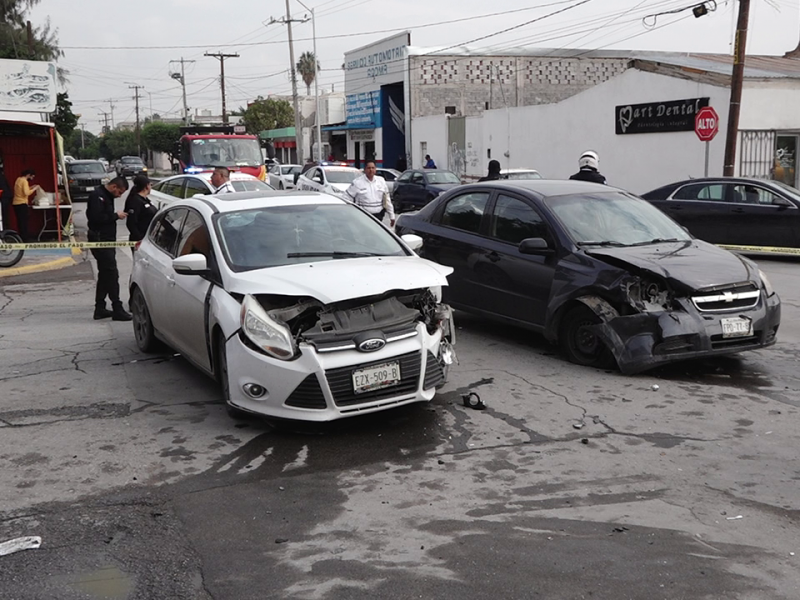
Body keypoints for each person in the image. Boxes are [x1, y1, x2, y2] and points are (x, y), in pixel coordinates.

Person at [86, 176, 131, 321]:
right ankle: (117, 307)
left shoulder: (106, 196)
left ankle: (100, 307)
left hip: (107, 239)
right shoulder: (97, 196)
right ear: (114, 187)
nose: (120, 196)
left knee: (105, 274)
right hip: (100, 240)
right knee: (111, 273)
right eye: (120, 192)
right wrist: (115, 216)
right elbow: (95, 218)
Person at [346, 160, 395, 227]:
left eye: (373, 168)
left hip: (378, 216)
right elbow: (347, 198)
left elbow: (387, 199)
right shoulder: (357, 182)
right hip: (363, 215)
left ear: (375, 169)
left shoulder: (381, 181)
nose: (371, 170)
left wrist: (392, 215)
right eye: (368, 168)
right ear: (365, 169)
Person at [124, 174, 157, 244]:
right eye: (150, 185)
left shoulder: (146, 200)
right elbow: (131, 223)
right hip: (140, 239)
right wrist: (139, 239)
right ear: (146, 186)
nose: (151, 187)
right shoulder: (135, 201)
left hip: (149, 238)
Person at [12, 169, 40, 241]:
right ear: (28, 175)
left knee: (20, 221)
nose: (32, 178)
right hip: (22, 203)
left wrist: (31, 187)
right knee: (24, 222)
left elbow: (22, 190)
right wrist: (35, 189)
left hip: (16, 203)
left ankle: (21, 238)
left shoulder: (18, 179)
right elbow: (26, 193)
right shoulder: (24, 181)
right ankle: (25, 238)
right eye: (32, 177)